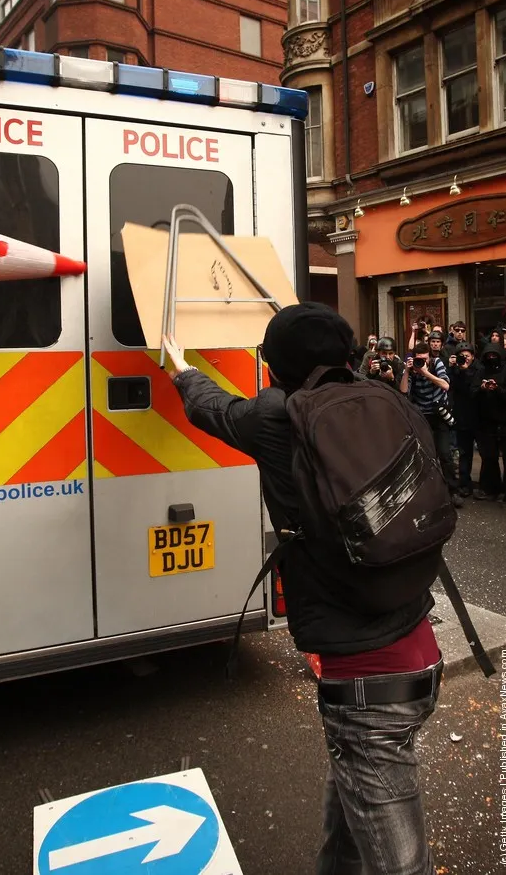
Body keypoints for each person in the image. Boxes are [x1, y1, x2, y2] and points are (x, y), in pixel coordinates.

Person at [163, 302, 443, 875]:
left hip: (367, 684)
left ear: (271, 367)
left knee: (398, 862)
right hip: (420, 646)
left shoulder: (276, 419)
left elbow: (208, 407)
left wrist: (179, 367)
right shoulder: (387, 400)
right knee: (348, 816)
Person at [400, 340, 463, 507]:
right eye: (419, 359)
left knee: (445, 454)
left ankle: (453, 491)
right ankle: (427, 492)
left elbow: (445, 385)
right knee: (424, 455)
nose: (423, 361)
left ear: (429, 357)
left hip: (439, 414)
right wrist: (407, 371)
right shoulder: (412, 370)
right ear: (413, 358)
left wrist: (426, 372)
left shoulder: (436, 363)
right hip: (422, 416)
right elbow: (404, 391)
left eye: (425, 358)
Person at [472, 344, 506, 504]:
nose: (491, 358)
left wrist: (498, 389)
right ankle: (491, 489)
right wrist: (482, 388)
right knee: (489, 458)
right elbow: (473, 393)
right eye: (488, 356)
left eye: (493, 355)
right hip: (487, 423)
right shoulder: (481, 372)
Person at [448, 343, 479, 498]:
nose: (465, 359)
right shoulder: (455, 370)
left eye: (467, 356)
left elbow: (473, 390)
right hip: (462, 418)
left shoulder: (479, 369)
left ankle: (487, 485)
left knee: (487, 454)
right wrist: (453, 367)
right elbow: (450, 387)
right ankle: (464, 484)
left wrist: (466, 370)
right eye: (462, 356)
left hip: (479, 417)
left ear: (473, 357)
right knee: (464, 453)